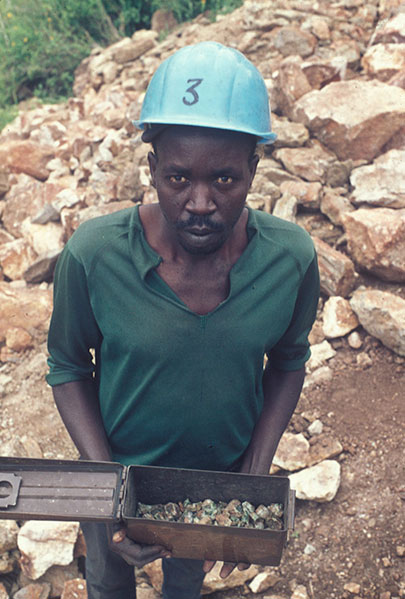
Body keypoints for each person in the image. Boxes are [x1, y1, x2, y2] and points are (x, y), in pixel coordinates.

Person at [46, 41, 319, 599]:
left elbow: (289, 361)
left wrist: (252, 476)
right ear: (151, 169)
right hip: (114, 468)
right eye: (177, 179)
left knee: (185, 581)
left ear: (253, 167)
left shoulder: (290, 260)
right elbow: (68, 366)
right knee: (108, 579)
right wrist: (107, 491)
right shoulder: (95, 255)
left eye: (224, 180)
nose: (200, 202)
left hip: (212, 485)